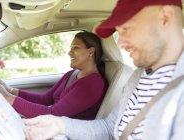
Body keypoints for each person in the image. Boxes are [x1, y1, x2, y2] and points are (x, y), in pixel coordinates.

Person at [23, 0, 184, 140]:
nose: (120, 43)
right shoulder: (138, 77)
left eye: (126, 29)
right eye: (118, 33)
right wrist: (59, 125)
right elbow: (109, 129)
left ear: (165, 17)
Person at [0, 31, 108, 140]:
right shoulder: (72, 74)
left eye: (76, 48)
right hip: (52, 128)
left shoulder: (93, 84)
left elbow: (54, 114)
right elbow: (46, 99)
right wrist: (10, 90)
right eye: (70, 48)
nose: (69, 52)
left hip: (65, 134)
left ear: (91, 51)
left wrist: (8, 98)